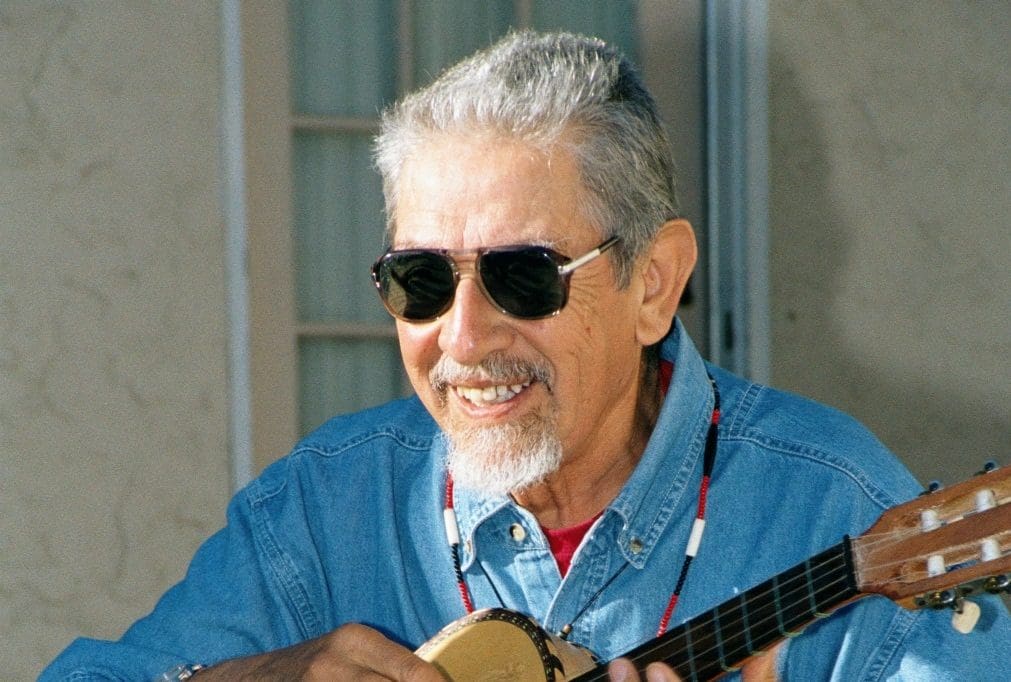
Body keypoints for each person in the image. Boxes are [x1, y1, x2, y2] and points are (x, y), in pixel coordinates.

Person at [43, 30, 1008, 682]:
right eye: (419, 280)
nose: (462, 338)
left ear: (654, 283)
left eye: (523, 276)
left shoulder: (836, 508)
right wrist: (260, 674)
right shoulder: (328, 507)